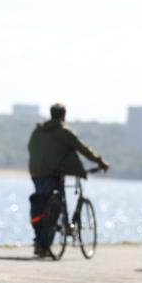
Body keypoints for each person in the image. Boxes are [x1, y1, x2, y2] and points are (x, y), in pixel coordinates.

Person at [28, 103, 109, 257]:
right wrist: (100, 161)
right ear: (63, 116)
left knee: (41, 206)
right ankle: (43, 245)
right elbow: (82, 148)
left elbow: (31, 148)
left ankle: (40, 243)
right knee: (54, 208)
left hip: (37, 172)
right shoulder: (64, 132)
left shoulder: (38, 131)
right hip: (54, 173)